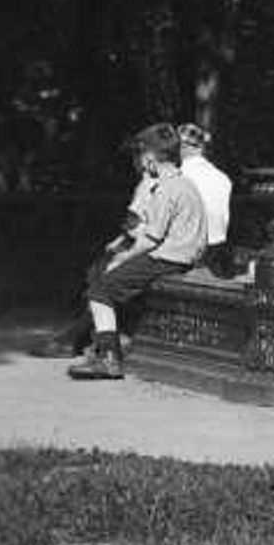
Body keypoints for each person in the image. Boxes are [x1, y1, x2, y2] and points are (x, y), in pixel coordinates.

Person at [67, 122, 207, 381]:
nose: (141, 165)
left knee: (100, 289)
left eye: (141, 158)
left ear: (151, 159)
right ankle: (103, 346)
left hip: (167, 258)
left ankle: (109, 358)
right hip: (178, 255)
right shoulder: (183, 184)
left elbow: (150, 241)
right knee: (108, 280)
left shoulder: (166, 189)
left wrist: (121, 258)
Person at [178, 120, 234, 274]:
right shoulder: (223, 178)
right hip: (216, 250)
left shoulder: (180, 176)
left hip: (187, 250)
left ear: (182, 147)